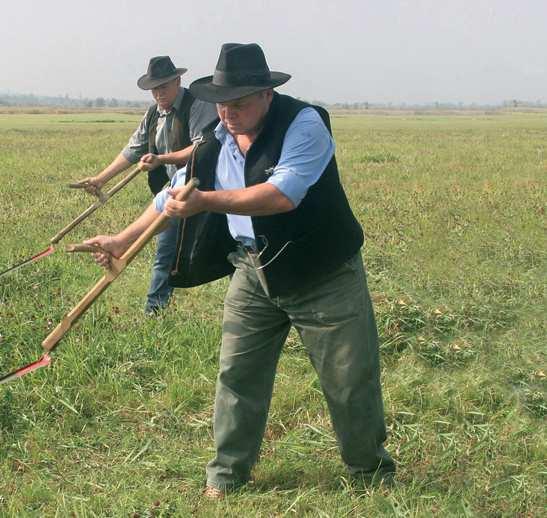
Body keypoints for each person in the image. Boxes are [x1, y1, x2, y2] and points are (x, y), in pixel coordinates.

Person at [84, 43, 395, 497]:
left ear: (267, 94)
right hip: (254, 271)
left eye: (240, 102)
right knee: (237, 376)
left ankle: (369, 471)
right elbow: (168, 197)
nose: (229, 112)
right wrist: (121, 239)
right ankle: (226, 476)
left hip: (324, 274)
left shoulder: (304, 124)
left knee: (349, 380)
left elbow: (281, 194)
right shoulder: (213, 138)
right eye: (223, 103)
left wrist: (207, 201)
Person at [71, 55, 217, 314]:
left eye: (163, 86)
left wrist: (162, 158)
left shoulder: (197, 105)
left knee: (224, 251)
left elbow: (201, 149)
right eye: (154, 88)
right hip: (173, 193)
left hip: (206, 189)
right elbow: (133, 149)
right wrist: (101, 179)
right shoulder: (154, 114)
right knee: (165, 253)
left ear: (178, 81)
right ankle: (155, 312)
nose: (158, 93)